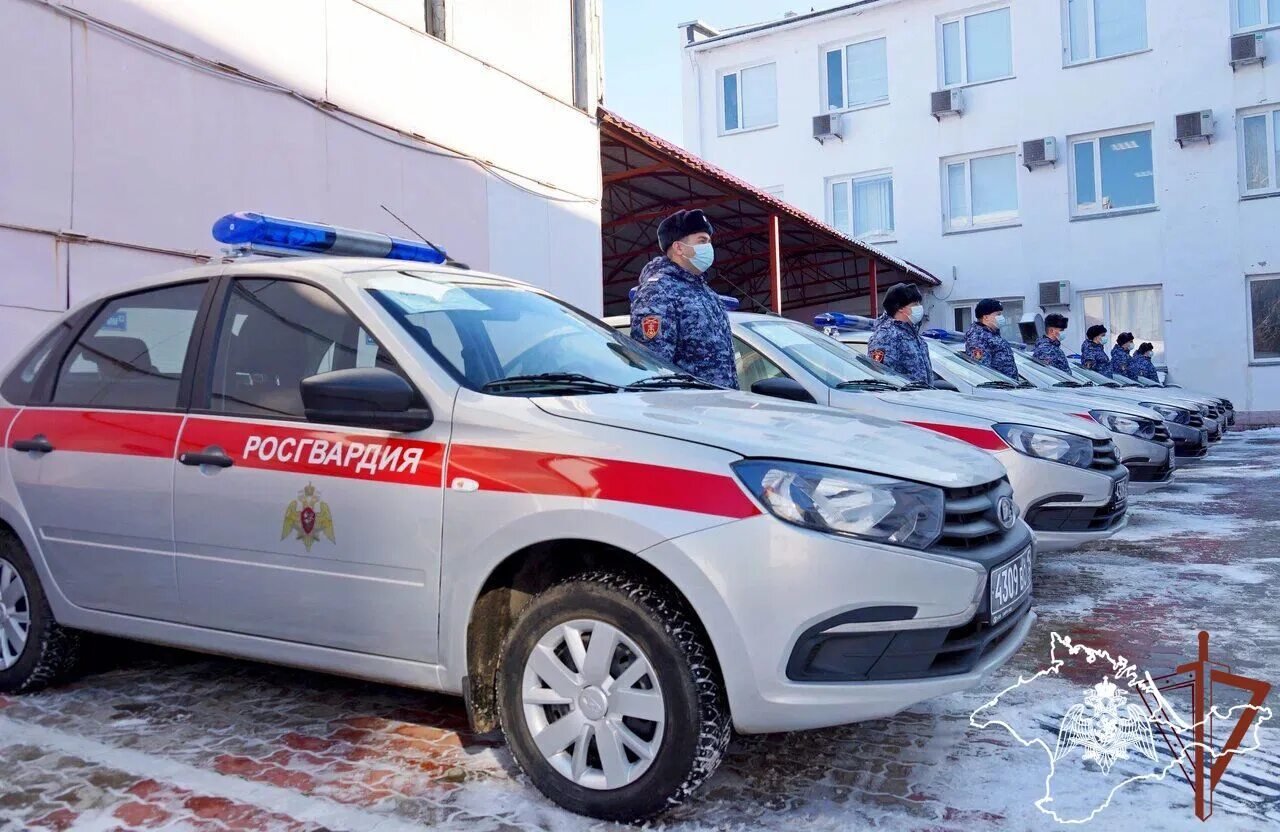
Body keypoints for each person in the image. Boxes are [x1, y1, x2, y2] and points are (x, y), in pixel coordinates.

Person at [629, 209, 738, 389]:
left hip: (720, 402)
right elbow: (655, 367)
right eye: (702, 241)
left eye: (709, 242)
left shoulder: (707, 293)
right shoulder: (658, 291)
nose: (709, 248)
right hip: (688, 404)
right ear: (679, 247)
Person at [867, 283, 934, 386]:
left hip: (922, 395)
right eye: (915, 304)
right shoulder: (886, 336)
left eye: (919, 303)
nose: (919, 307)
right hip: (903, 395)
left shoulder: (914, 337)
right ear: (900, 308)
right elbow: (881, 378)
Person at [964, 298, 1018, 379]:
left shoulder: (992, 334)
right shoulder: (978, 337)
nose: (1001, 317)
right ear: (986, 317)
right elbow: (982, 371)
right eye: (998, 314)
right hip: (997, 385)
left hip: (1008, 384)